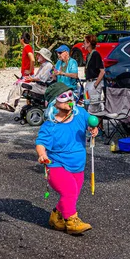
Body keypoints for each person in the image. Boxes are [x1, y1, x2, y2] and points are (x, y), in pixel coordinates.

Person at [36, 86, 98, 234]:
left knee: (72, 195)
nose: (69, 98)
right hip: (56, 165)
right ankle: (72, 222)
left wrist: (93, 129)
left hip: (77, 166)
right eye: (63, 96)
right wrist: (42, 155)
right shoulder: (50, 126)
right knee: (69, 191)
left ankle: (56, 216)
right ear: (53, 103)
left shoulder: (80, 114)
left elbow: (91, 124)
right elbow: (41, 143)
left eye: (70, 94)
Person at [0, 47, 53, 112]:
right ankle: (9, 103)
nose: (37, 56)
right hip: (38, 86)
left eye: (39, 55)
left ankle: (11, 105)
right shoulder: (44, 65)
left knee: (21, 84)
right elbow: (38, 77)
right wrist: (29, 79)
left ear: (44, 57)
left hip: (42, 88)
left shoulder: (48, 65)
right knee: (18, 83)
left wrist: (31, 79)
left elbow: (42, 79)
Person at [83, 35, 105, 113]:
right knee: (86, 103)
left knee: (94, 107)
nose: (84, 43)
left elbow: (102, 71)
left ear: (89, 43)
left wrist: (96, 84)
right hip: (88, 83)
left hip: (94, 82)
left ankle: (97, 124)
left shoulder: (96, 54)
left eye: (85, 42)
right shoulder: (88, 55)